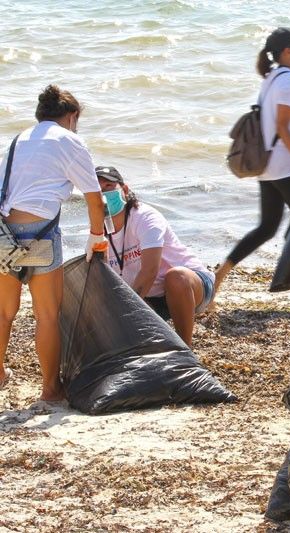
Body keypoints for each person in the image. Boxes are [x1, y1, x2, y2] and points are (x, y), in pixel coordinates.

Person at [213, 27, 290, 310]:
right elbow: (281, 126)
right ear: (286, 52)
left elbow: (278, 124)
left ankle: (217, 279)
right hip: (286, 167)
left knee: (267, 228)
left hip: (269, 167)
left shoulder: (271, 79)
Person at [0, 85, 106, 401]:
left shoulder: (18, 141)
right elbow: (95, 199)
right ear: (71, 117)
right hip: (41, 233)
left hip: (3, 232)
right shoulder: (70, 141)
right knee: (47, 314)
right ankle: (50, 388)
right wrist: (95, 238)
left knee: (4, 313)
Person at [96, 166, 215, 348]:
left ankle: (185, 348)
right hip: (149, 296)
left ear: (124, 190)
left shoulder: (145, 217)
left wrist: (126, 311)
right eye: (99, 190)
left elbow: (150, 271)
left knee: (176, 277)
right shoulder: (98, 229)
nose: (104, 193)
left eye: (109, 186)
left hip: (190, 287)